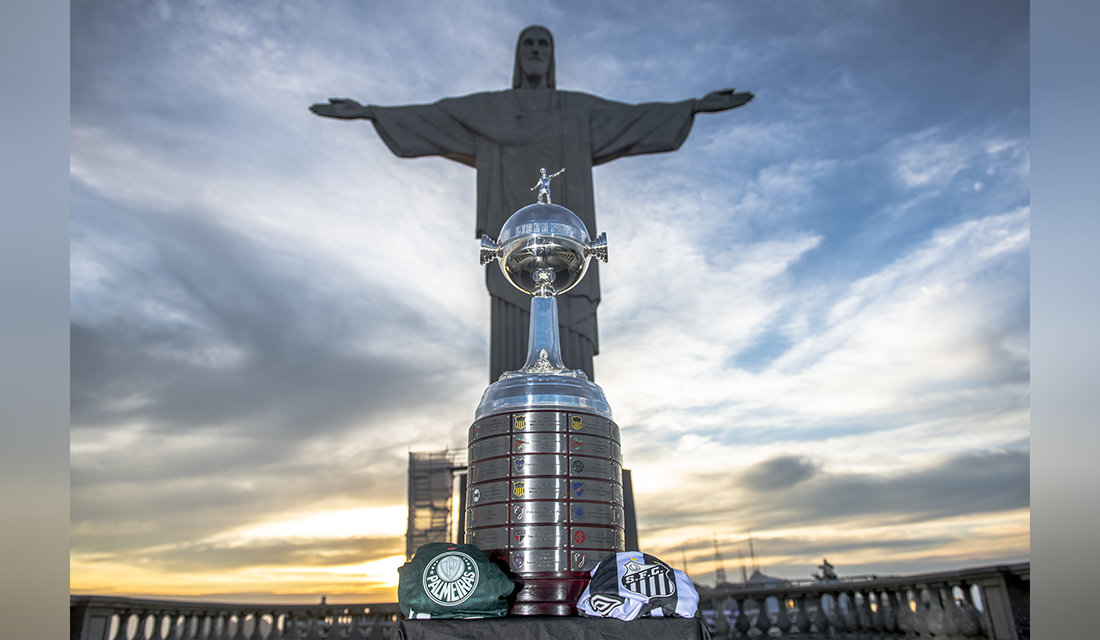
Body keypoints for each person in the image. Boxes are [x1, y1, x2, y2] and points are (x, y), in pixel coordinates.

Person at [311, 26, 753, 381]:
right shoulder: (491, 109)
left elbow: (635, 117)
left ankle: (574, 425)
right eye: (529, 44)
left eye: (544, 44)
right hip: (511, 246)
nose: (536, 51)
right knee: (509, 345)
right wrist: (370, 112)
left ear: (553, 56)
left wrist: (693, 106)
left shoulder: (577, 110)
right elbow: (435, 116)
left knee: (571, 343)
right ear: (518, 56)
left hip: (570, 249)